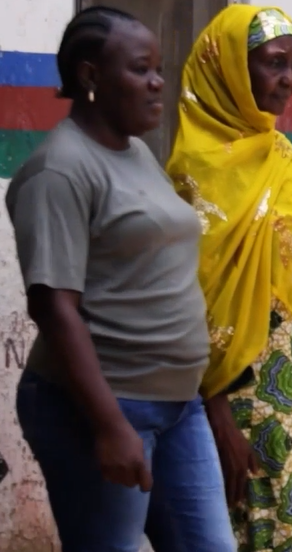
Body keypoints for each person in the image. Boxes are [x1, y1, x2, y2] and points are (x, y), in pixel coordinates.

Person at [6, 6, 236, 551]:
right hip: (104, 405)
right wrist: (109, 426)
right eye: (141, 69)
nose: (160, 83)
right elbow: (53, 307)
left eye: (159, 68)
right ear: (90, 77)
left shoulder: (136, 153)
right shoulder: (59, 170)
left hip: (179, 406)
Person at [164, 5, 292, 551]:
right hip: (246, 405)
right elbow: (186, 305)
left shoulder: (286, 159)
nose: (288, 80)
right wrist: (215, 411)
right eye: (274, 63)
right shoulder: (193, 173)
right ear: (230, 67)